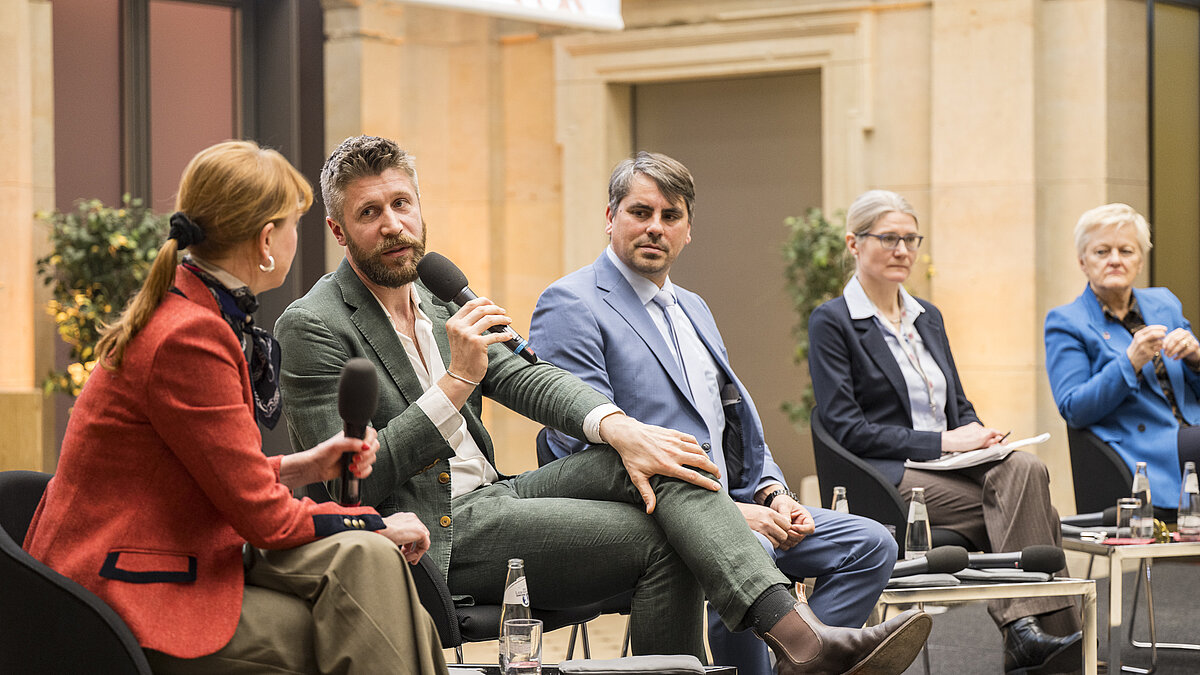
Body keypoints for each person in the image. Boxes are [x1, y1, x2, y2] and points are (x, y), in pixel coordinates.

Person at [276, 134, 933, 675]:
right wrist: (453, 386)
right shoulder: (314, 325)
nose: (392, 224)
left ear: (421, 209)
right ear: (338, 228)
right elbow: (343, 481)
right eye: (370, 213)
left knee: (667, 454)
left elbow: (533, 380)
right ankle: (804, 644)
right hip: (431, 531)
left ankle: (803, 644)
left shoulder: (440, 294)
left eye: (401, 204)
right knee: (665, 535)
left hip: (501, 495)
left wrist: (620, 428)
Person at [22, 141, 447, 674]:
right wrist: (369, 521)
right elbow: (265, 520)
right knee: (366, 579)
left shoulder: (192, 310)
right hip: (124, 586)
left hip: (166, 552)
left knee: (367, 560)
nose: (298, 237)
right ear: (267, 240)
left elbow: (206, 469)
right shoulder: (190, 337)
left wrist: (306, 466)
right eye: (294, 224)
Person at [529, 151, 898, 675]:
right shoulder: (571, 303)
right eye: (640, 212)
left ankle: (800, 664)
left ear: (688, 231)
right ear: (610, 217)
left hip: (740, 504)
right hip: (655, 519)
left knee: (870, 544)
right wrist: (724, 513)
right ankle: (792, 652)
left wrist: (773, 493)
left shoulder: (694, 307)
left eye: (671, 216)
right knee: (750, 553)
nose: (655, 227)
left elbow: (732, 424)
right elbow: (582, 449)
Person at [807, 190, 1083, 675]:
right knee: (1040, 511)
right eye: (889, 238)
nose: (903, 250)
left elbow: (958, 402)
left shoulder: (926, 316)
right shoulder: (834, 322)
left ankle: (1030, 639)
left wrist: (976, 433)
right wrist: (941, 443)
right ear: (853, 243)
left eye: (911, 239)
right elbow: (846, 428)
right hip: (888, 475)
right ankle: (1038, 644)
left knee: (1024, 466)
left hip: (954, 470)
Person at [1046, 203, 1200, 513]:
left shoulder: (1164, 303)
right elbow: (1074, 408)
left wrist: (1196, 359)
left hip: (1191, 431)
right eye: (1102, 252)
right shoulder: (1067, 322)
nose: (1115, 260)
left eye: (1126, 251)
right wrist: (1129, 363)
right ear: (1082, 261)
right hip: (1139, 448)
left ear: (1140, 261)